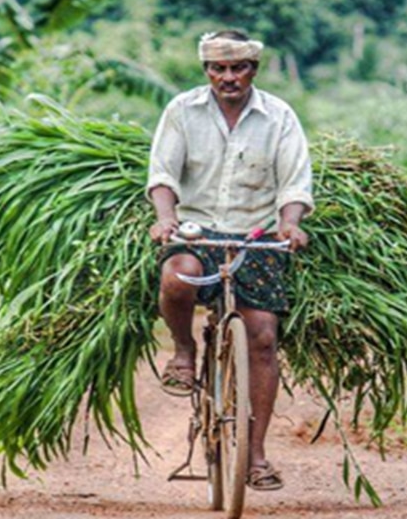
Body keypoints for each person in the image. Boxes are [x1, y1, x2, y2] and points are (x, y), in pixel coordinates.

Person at [145, 29, 314, 492]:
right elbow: (163, 174)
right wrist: (165, 220)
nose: (228, 77)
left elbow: (295, 183)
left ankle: (255, 456)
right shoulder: (182, 110)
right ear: (207, 71)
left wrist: (290, 223)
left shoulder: (278, 116)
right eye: (218, 69)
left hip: (256, 236)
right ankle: (183, 350)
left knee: (261, 336)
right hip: (196, 229)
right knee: (177, 279)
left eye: (238, 68)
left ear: (253, 70)